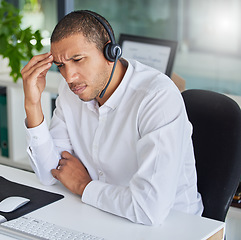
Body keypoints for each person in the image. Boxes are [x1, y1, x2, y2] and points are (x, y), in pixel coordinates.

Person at [21, 10, 203, 226]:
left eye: (78, 59)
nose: (69, 77)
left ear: (110, 52)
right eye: (61, 66)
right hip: (105, 216)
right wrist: (32, 105)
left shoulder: (156, 97)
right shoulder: (72, 89)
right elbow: (50, 174)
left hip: (174, 228)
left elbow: (148, 208)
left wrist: (84, 186)